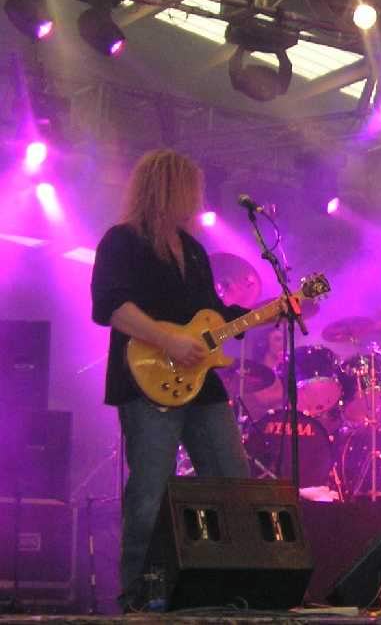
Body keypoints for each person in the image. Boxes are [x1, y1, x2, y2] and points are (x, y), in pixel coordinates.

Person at [90, 149, 252, 611]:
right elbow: (112, 307)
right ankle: (137, 596)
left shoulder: (194, 250)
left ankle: (228, 590)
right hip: (147, 382)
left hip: (202, 385)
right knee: (150, 491)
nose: (199, 198)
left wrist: (268, 313)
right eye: (192, 189)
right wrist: (169, 342)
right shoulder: (122, 241)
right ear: (169, 188)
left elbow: (210, 316)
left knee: (232, 482)